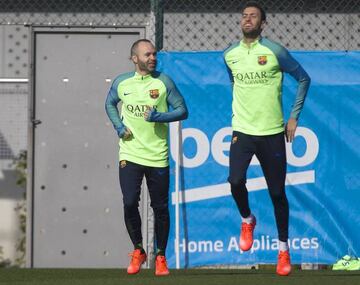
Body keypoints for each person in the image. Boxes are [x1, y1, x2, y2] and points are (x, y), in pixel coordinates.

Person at [223, 1, 311, 276]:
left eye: (253, 16)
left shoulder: (275, 51)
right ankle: (247, 219)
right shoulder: (230, 55)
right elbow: (234, 83)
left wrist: (294, 117)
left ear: (263, 24)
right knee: (235, 181)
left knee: (277, 193)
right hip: (242, 131)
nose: (247, 19)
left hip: (272, 132)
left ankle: (283, 249)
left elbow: (303, 79)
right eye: (244, 16)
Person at [105, 39, 188, 276]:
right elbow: (109, 104)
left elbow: (183, 110)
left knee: (160, 207)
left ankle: (160, 256)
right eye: (147, 54)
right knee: (130, 201)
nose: (153, 58)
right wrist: (119, 127)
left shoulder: (163, 82)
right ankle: (138, 250)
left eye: (154, 54)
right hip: (130, 153)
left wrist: (159, 117)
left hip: (157, 156)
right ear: (135, 58)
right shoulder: (122, 82)